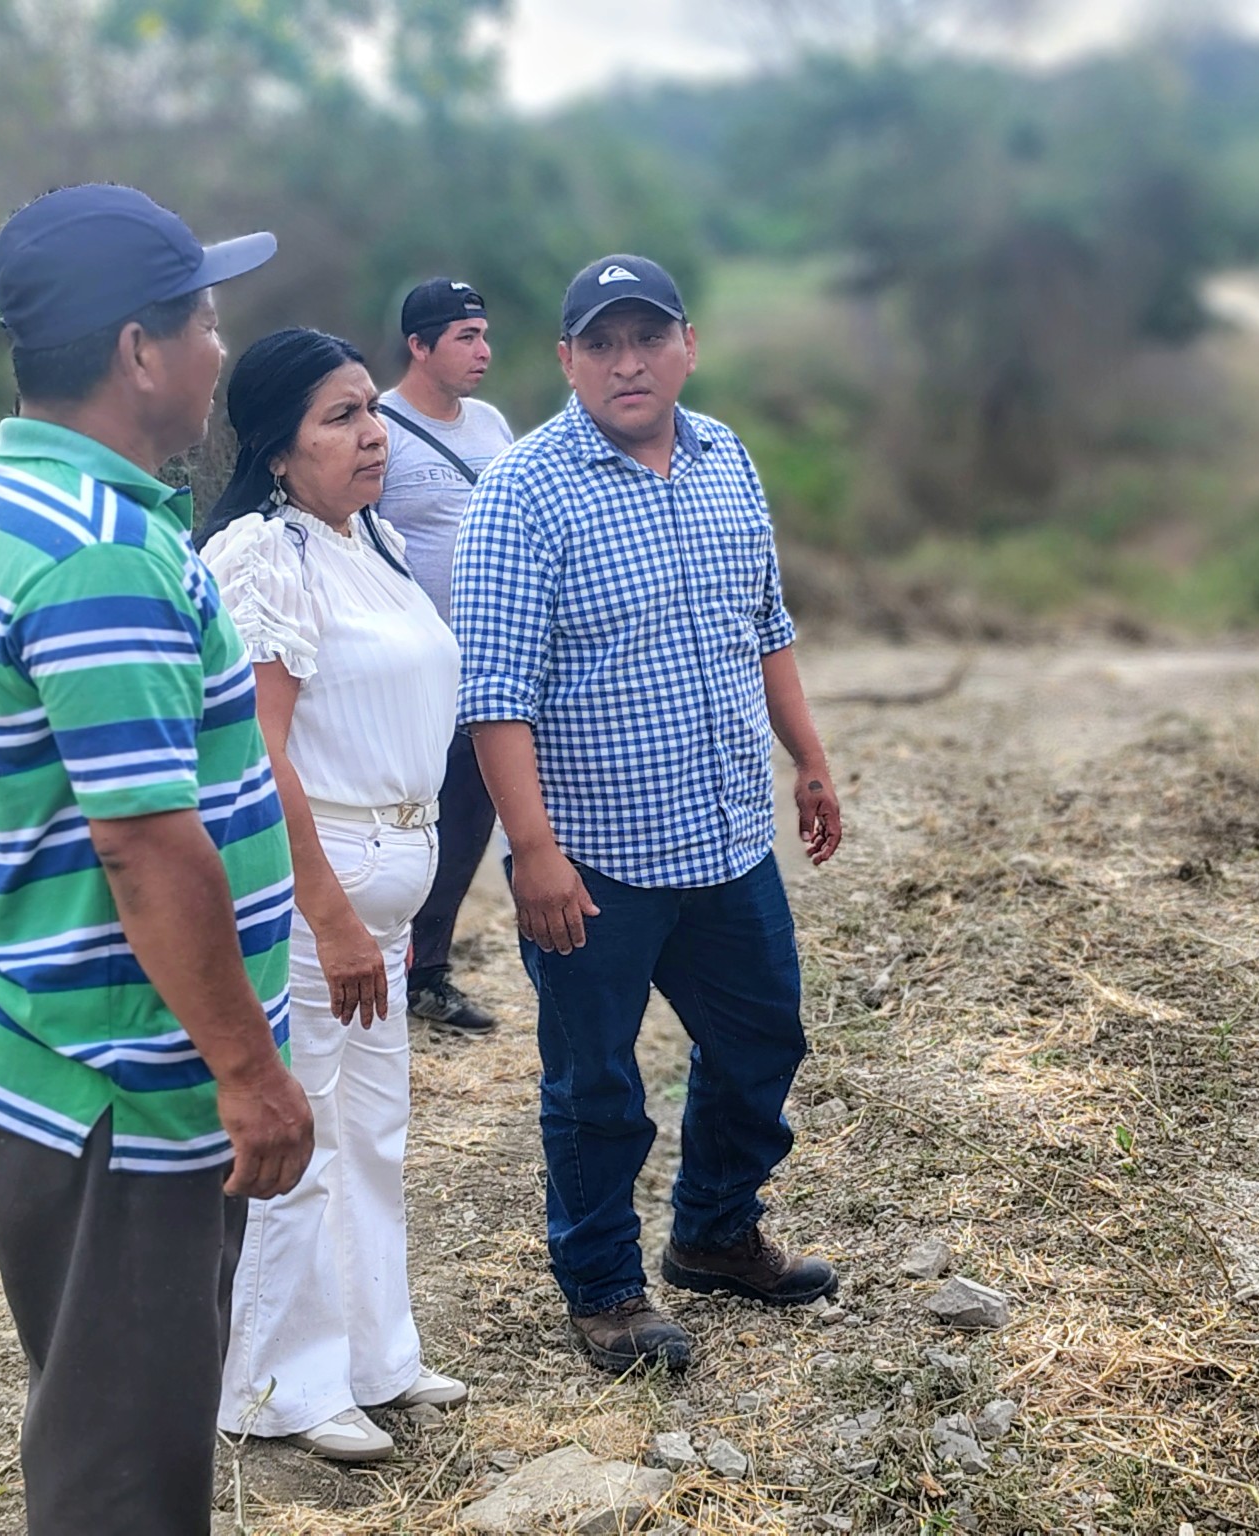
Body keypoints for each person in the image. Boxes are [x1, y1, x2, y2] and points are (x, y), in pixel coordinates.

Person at [0, 184, 311, 1536]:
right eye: (204, 322)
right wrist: (248, 1074)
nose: (220, 349)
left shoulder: (62, 503)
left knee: (121, 1430)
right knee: (125, 1483)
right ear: (140, 350)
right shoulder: (99, 556)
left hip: (73, 1057)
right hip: (122, 1092)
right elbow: (146, 846)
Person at [452, 254, 845, 1375]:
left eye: (647, 338)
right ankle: (604, 1290)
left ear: (687, 346)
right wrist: (532, 852)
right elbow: (495, 696)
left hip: (727, 838)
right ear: (567, 360)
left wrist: (810, 760)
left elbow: (764, 625)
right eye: (602, 344)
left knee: (762, 1040)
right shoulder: (522, 493)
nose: (627, 363)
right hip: (594, 861)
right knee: (596, 1087)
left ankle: (714, 1232)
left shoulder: (725, 458)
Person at [199, 328, 467, 1460]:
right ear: (277, 448)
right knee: (303, 1127)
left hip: (391, 872)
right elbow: (260, 755)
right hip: (321, 885)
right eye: (339, 418)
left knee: (374, 1129)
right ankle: (280, 1386)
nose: (372, 435)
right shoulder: (266, 556)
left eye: (371, 410)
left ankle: (374, 1355)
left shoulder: (377, 542)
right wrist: (329, 910)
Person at [373, 277, 514, 1037]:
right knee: (400, 825)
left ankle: (426, 975)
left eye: (484, 335)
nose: (483, 350)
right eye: (466, 337)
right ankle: (373, 969)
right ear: (419, 346)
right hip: (409, 672)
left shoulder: (491, 425)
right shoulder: (379, 426)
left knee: (465, 825)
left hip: (486, 666)